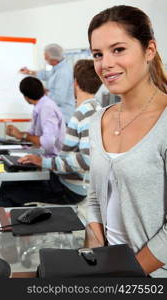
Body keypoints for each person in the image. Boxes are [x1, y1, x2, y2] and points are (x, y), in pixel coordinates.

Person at [86, 5, 167, 278]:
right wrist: (95, 254)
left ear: (150, 50)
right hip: (108, 268)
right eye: (98, 54)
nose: (105, 63)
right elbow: (95, 196)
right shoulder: (98, 122)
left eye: (118, 49)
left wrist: (125, 276)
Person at [0, 59, 102, 207]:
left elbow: (87, 160)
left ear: (75, 83)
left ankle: (11, 227)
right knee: (6, 185)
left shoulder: (86, 112)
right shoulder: (91, 109)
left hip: (68, 188)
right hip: (64, 180)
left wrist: (43, 162)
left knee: (3, 194)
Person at [6, 76, 66, 156]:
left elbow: (48, 142)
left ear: (26, 97)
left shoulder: (47, 108)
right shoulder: (40, 106)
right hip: (43, 156)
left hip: (52, 161)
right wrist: (17, 133)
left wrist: (22, 135)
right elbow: (33, 134)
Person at [20, 43, 75, 124]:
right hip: (56, 114)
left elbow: (59, 99)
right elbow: (46, 74)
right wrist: (29, 72)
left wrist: (43, 92)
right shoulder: (57, 68)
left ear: (54, 60)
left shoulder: (63, 73)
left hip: (63, 117)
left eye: (46, 58)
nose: (45, 58)